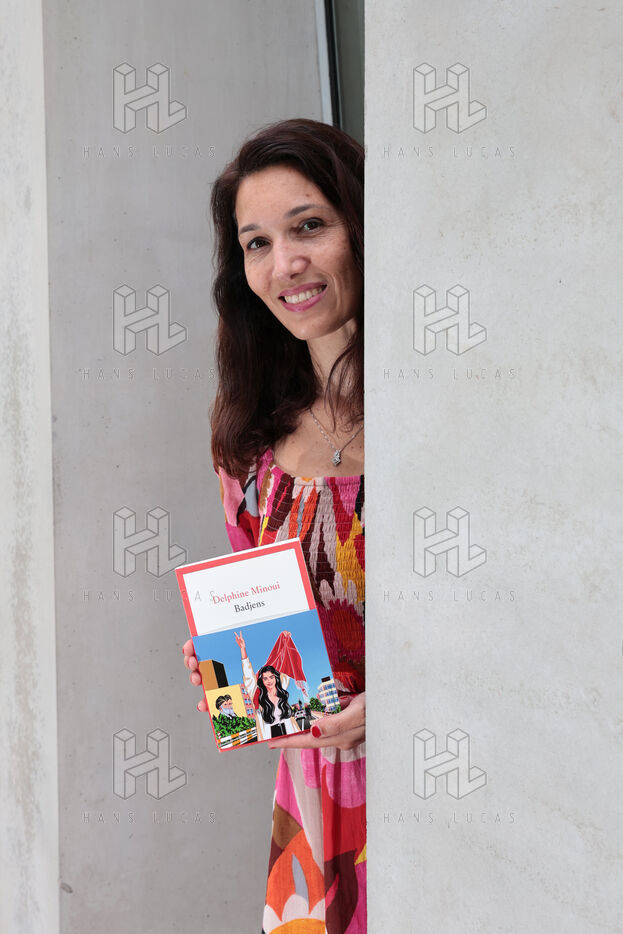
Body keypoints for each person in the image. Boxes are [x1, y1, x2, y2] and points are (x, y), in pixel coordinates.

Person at [181, 117, 365, 933]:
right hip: (313, 813)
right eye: (256, 243)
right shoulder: (248, 445)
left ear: (362, 226)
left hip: (452, 783)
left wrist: (400, 702)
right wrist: (233, 670)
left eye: (309, 226)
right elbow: (272, 640)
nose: (284, 263)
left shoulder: (448, 418)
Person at [234, 630, 301, 739]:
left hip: (290, 732)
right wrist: (243, 649)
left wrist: (286, 640)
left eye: (271, 677)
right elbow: (248, 675)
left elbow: (286, 663)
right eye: (265, 678)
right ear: (262, 681)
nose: (269, 681)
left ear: (276, 678)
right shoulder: (257, 694)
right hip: (270, 736)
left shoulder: (281, 688)